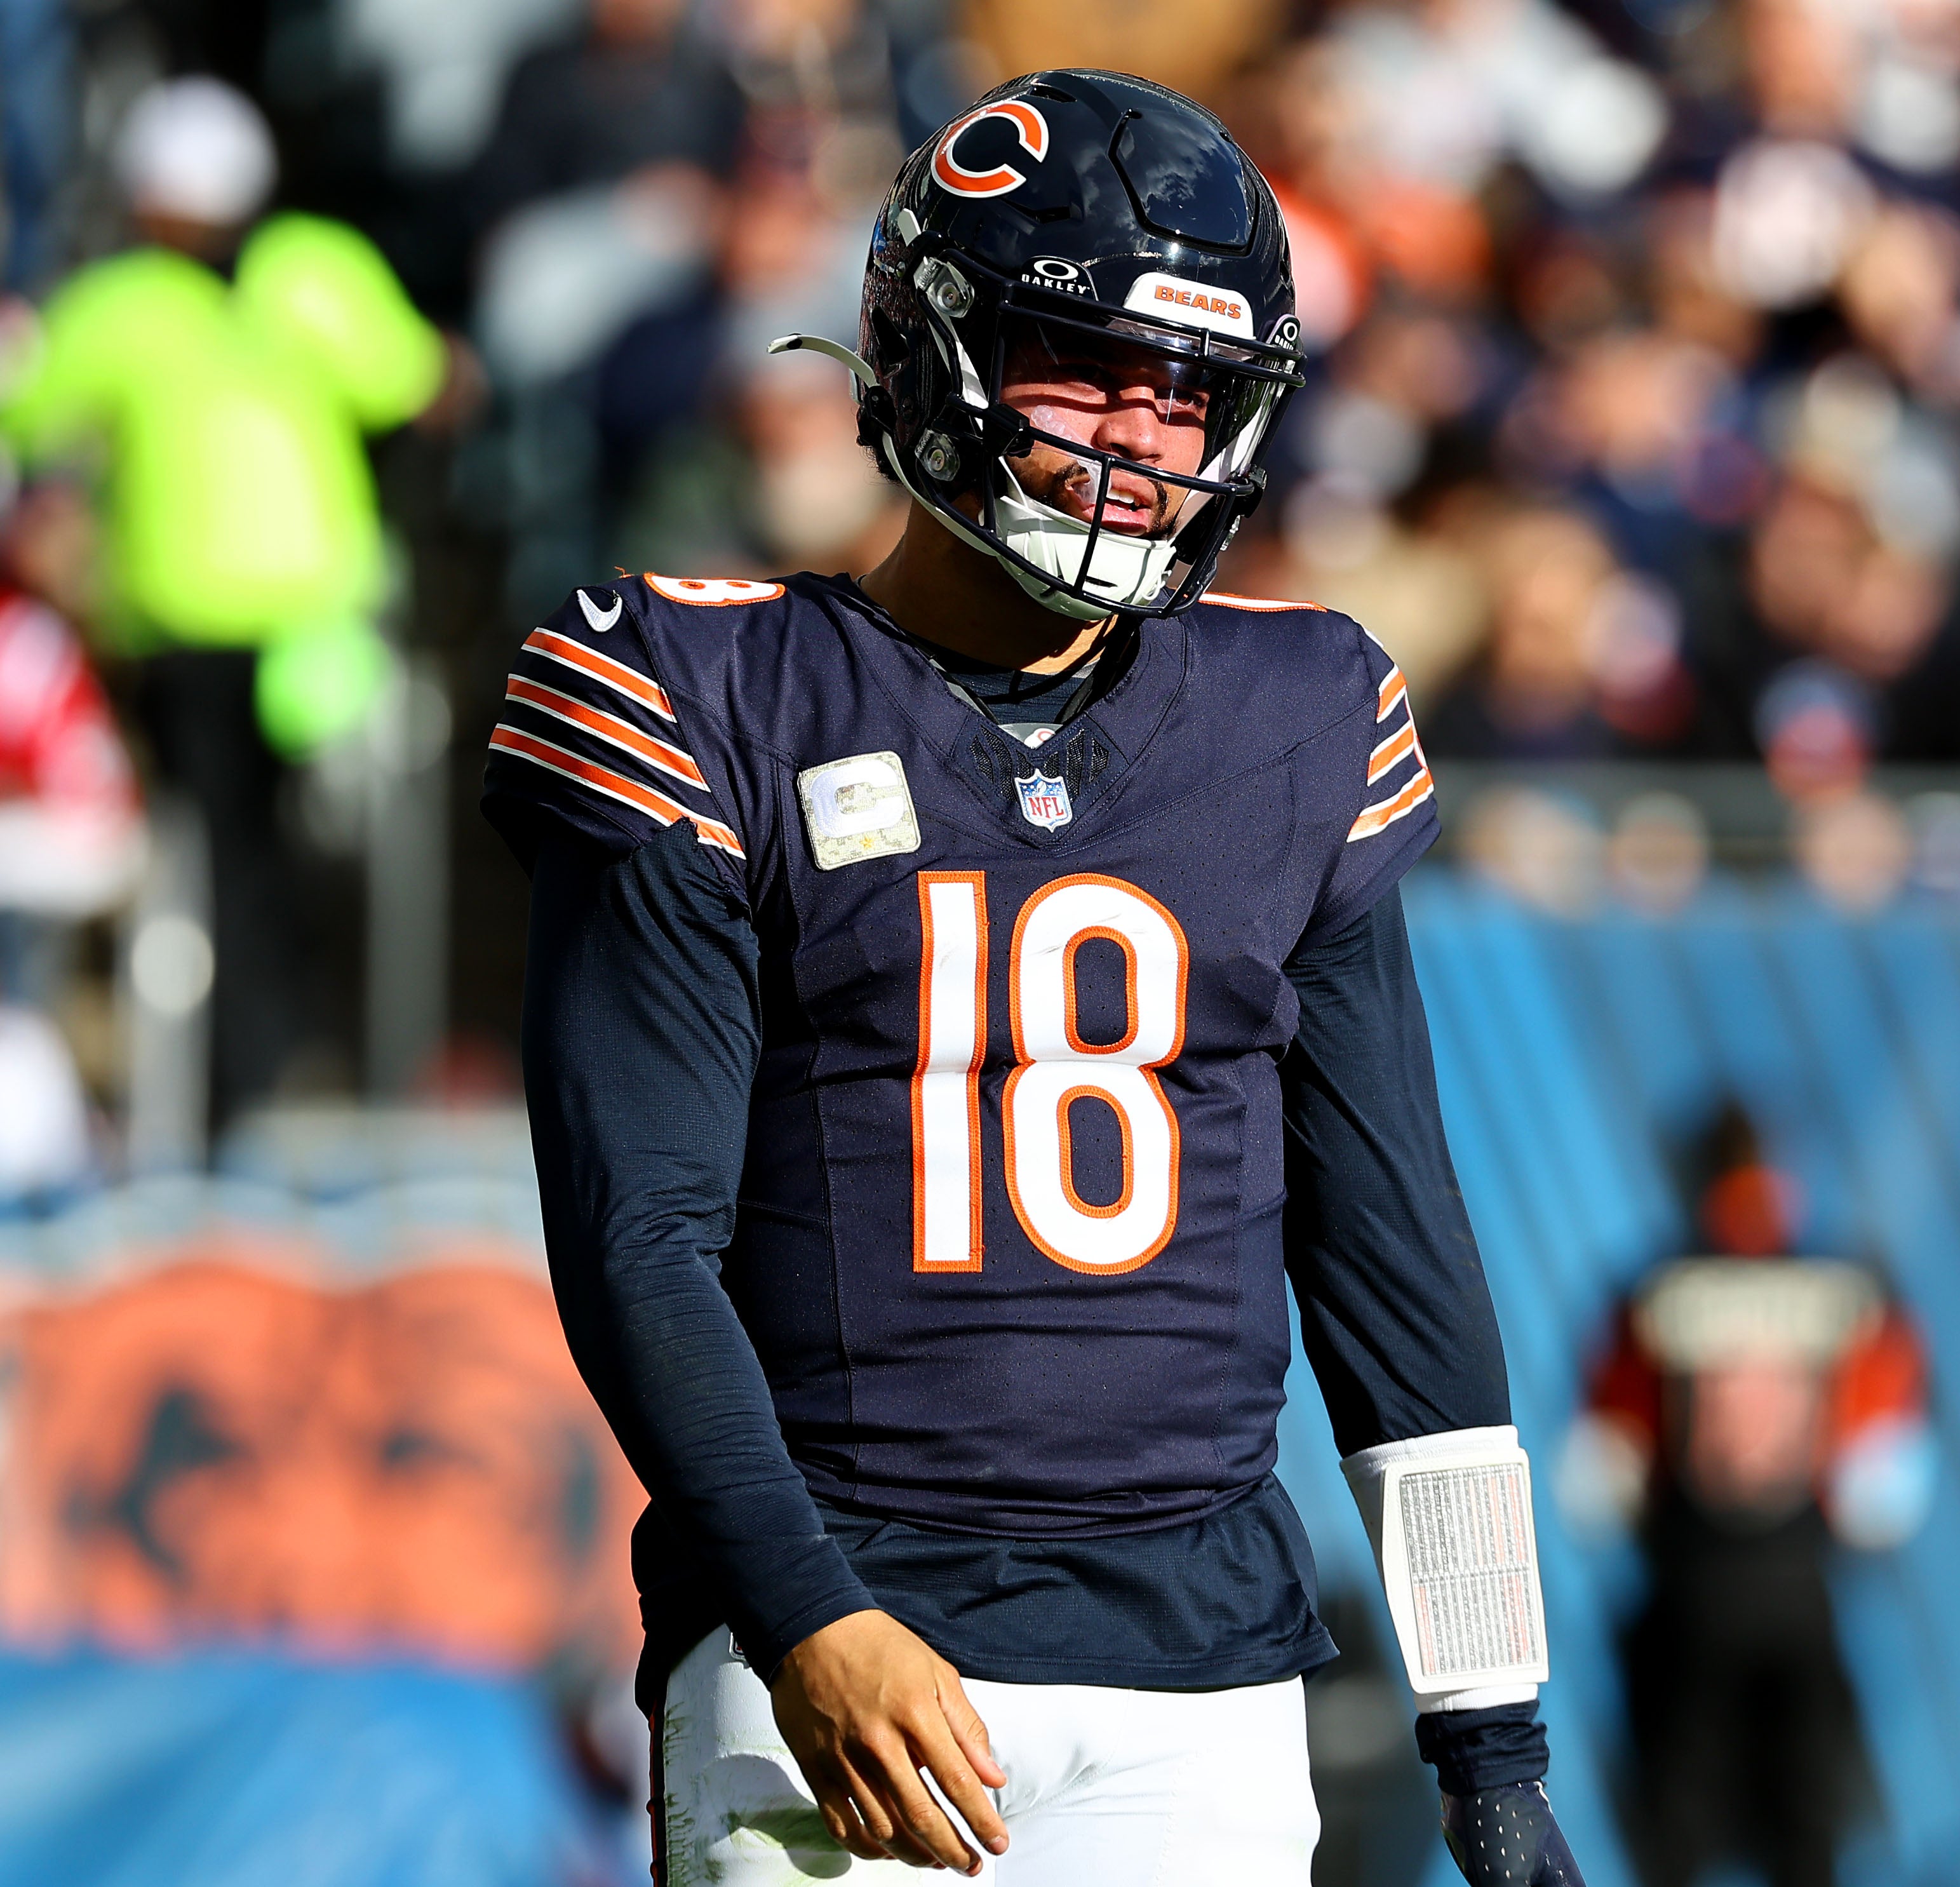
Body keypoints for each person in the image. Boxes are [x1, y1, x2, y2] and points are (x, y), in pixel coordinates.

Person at [483, 71, 1585, 1886]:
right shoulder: (702, 690)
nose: (1145, 435)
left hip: (1209, 1677)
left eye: (1194, 392)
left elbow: (1394, 1258)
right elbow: (636, 1232)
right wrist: (801, 1611)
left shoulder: (1301, 712)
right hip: (856, 1640)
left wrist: (1493, 1731)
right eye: (1090, 366)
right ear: (925, 352)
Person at [1, 76, 445, 1125]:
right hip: (315, 633)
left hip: (229, 636)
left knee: (232, 863)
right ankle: (272, 1065)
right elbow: (415, 380)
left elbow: (29, 411)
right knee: (270, 861)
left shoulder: (116, 306)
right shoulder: (316, 272)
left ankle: (250, 1078)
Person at [1569, 1108, 1930, 1887]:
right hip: (1801, 1600)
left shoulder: (1651, 1295)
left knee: (1675, 1826)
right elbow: (1886, 1483)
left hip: (1688, 1598)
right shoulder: (1851, 1291)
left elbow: (1602, 1474)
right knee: (1806, 1823)